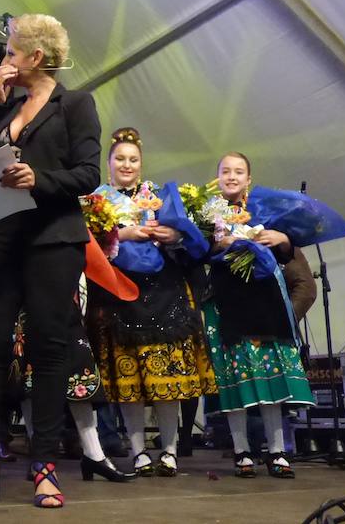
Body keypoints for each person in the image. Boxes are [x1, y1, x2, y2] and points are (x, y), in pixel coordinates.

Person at [0, 14, 127, 510]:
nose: (5, 59)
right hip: (2, 236)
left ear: (34, 57)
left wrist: (39, 179)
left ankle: (45, 463)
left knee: (50, 353)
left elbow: (88, 174)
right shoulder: (4, 107)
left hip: (53, 239)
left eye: (10, 51)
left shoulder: (75, 103)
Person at [86, 127, 216, 477]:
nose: (126, 165)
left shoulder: (159, 197)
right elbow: (84, 251)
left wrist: (175, 235)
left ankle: (170, 450)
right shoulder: (95, 202)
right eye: (120, 159)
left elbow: (193, 245)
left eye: (133, 159)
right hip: (120, 295)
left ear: (141, 164)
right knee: (131, 383)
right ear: (108, 163)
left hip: (165, 293)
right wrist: (121, 234)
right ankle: (139, 452)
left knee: (166, 381)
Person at [205, 152, 314, 479]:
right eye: (226, 171)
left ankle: (277, 450)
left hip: (264, 302)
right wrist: (217, 244)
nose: (232, 176)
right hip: (227, 302)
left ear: (249, 178)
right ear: (218, 177)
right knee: (234, 381)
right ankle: (242, 452)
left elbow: (287, 249)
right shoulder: (206, 213)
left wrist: (282, 238)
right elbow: (195, 252)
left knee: (271, 381)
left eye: (239, 171)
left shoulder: (266, 209)